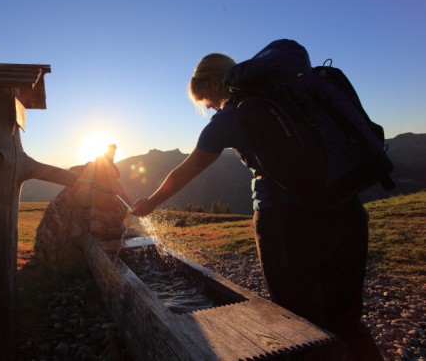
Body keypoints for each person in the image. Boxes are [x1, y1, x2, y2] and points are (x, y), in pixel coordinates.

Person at [131, 50, 384, 361]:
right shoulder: (292, 92)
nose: (208, 106)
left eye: (206, 99)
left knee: (304, 325)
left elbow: (186, 169)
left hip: (288, 224)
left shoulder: (230, 117)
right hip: (347, 209)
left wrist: (151, 203)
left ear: (214, 82)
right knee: (347, 319)